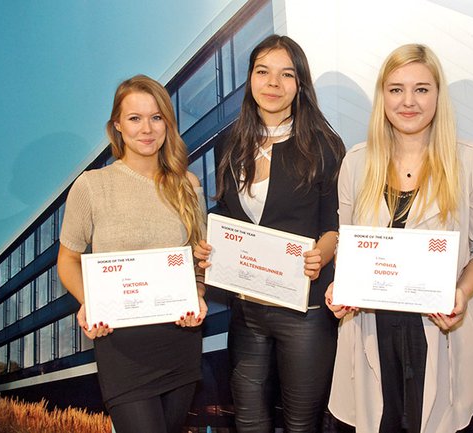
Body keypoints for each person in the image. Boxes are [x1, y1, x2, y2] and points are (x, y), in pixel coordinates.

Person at [325, 44, 473, 433]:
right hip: (374, 333)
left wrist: (462, 292)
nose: (408, 101)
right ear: (382, 96)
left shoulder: (470, 160)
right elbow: (347, 246)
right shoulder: (356, 163)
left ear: (438, 96)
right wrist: (341, 287)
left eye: (421, 89)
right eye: (396, 89)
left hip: (442, 332)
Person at [193, 34, 346, 432]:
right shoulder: (232, 143)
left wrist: (322, 254)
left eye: (286, 74)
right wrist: (211, 244)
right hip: (248, 309)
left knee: (301, 423)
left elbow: (336, 222)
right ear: (250, 79)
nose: (273, 84)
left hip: (306, 309)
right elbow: (228, 213)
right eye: (263, 72)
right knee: (248, 420)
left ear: (300, 84)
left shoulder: (325, 144)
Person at [57, 75, 208, 433]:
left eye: (156, 117)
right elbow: (67, 260)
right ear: (117, 126)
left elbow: (197, 265)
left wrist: (197, 296)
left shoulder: (189, 185)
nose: (147, 129)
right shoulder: (92, 186)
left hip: (178, 340)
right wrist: (88, 301)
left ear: (167, 124)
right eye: (135, 118)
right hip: (121, 346)